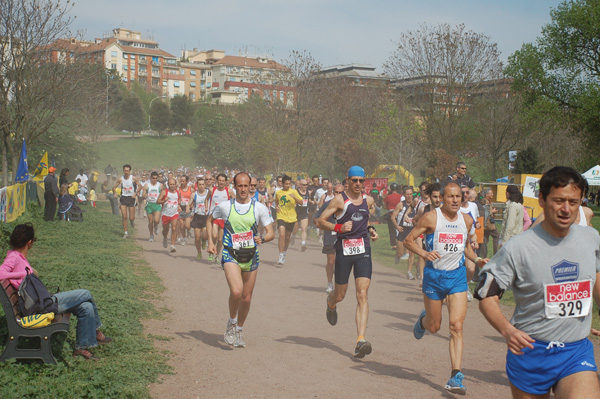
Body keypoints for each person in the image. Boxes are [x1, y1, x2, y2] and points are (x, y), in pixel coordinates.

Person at [476, 166, 600, 399]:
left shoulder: (591, 239)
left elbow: (596, 281)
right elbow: (486, 295)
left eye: (573, 202)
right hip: (531, 350)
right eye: (559, 200)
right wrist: (507, 331)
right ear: (542, 200)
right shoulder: (518, 248)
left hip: (576, 351)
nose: (566, 209)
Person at [404, 182, 488, 394]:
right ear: (442, 197)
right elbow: (408, 240)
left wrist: (476, 259)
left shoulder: (466, 220)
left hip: (457, 279)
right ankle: (424, 320)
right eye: (450, 196)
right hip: (434, 278)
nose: (455, 200)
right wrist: (423, 254)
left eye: (458, 196)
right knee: (435, 326)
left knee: (456, 326)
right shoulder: (432, 218)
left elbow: (465, 246)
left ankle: (455, 376)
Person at [0, 223, 112, 360]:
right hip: (41, 307)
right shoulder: (14, 257)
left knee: (86, 306)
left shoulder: (18, 257)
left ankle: (81, 348)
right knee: (85, 293)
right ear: (29, 243)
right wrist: (22, 274)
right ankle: (94, 330)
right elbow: (1, 274)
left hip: (42, 302)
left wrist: (27, 272)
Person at [316, 166, 379, 358]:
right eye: (355, 180)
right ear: (348, 181)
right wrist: (339, 227)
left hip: (363, 250)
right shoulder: (339, 200)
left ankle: (361, 340)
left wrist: (370, 230)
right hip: (343, 249)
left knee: (362, 293)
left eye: (361, 180)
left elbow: (364, 220)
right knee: (341, 294)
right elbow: (320, 221)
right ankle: (331, 302)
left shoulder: (368, 200)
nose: (358, 184)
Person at [207, 172, 274, 348]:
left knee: (246, 298)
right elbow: (210, 220)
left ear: (250, 186)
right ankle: (231, 322)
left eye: (246, 186)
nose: (243, 189)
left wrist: (264, 238)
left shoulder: (259, 207)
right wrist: (211, 242)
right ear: (234, 186)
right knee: (236, 291)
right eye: (240, 186)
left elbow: (271, 232)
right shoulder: (224, 206)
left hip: (251, 257)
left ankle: (239, 330)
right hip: (230, 254)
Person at [315, 184, 345, 294]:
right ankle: (330, 283)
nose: (337, 195)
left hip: (345, 237)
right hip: (330, 236)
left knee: (341, 262)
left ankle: (339, 283)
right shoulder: (327, 205)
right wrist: (323, 226)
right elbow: (317, 220)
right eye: (336, 192)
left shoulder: (349, 205)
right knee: (331, 261)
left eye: (340, 193)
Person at [275, 175, 303, 265]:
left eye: (289, 184)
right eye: (286, 184)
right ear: (282, 184)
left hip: (291, 218)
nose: (288, 185)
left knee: (287, 237)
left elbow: (301, 202)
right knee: (282, 235)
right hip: (281, 216)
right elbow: (276, 201)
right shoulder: (278, 192)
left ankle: (284, 252)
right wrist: (277, 207)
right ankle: (280, 255)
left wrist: (294, 197)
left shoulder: (294, 191)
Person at [112, 164, 141, 239]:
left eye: (127, 171)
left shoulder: (133, 178)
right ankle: (126, 233)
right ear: (123, 171)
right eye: (125, 170)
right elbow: (114, 187)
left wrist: (135, 192)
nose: (126, 172)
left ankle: (132, 222)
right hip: (123, 198)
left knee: (131, 217)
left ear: (130, 171)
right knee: (124, 216)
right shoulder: (121, 179)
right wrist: (115, 193)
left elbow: (140, 186)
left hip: (131, 198)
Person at [188, 176, 209, 260]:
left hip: (206, 217)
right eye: (199, 184)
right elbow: (189, 202)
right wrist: (187, 207)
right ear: (197, 185)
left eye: (203, 184)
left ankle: (204, 240)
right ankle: (199, 252)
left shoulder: (208, 193)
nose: (201, 186)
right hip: (197, 216)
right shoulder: (194, 194)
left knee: (204, 235)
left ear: (205, 185)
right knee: (197, 237)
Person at [157, 178, 180, 253]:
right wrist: (164, 200)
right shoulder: (164, 192)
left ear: (175, 184)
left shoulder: (178, 192)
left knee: (174, 228)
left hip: (174, 213)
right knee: (165, 230)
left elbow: (178, 200)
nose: (172, 186)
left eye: (173, 184)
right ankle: (165, 238)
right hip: (165, 214)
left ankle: (172, 245)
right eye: (171, 184)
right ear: (168, 185)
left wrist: (178, 206)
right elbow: (158, 201)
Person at [142, 171, 163, 242]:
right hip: (149, 204)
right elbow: (143, 195)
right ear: (151, 178)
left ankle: (156, 226)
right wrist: (145, 194)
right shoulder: (146, 185)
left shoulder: (160, 185)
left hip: (157, 204)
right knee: (150, 221)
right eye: (153, 178)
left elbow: (163, 193)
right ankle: (151, 235)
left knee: (156, 220)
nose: (155, 179)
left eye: (156, 178)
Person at [383, 183, 403, 248]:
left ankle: (394, 244)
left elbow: (384, 206)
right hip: (399, 215)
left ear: (391, 189)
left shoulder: (388, 197)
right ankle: (400, 242)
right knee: (400, 229)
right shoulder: (401, 196)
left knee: (392, 230)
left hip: (391, 215)